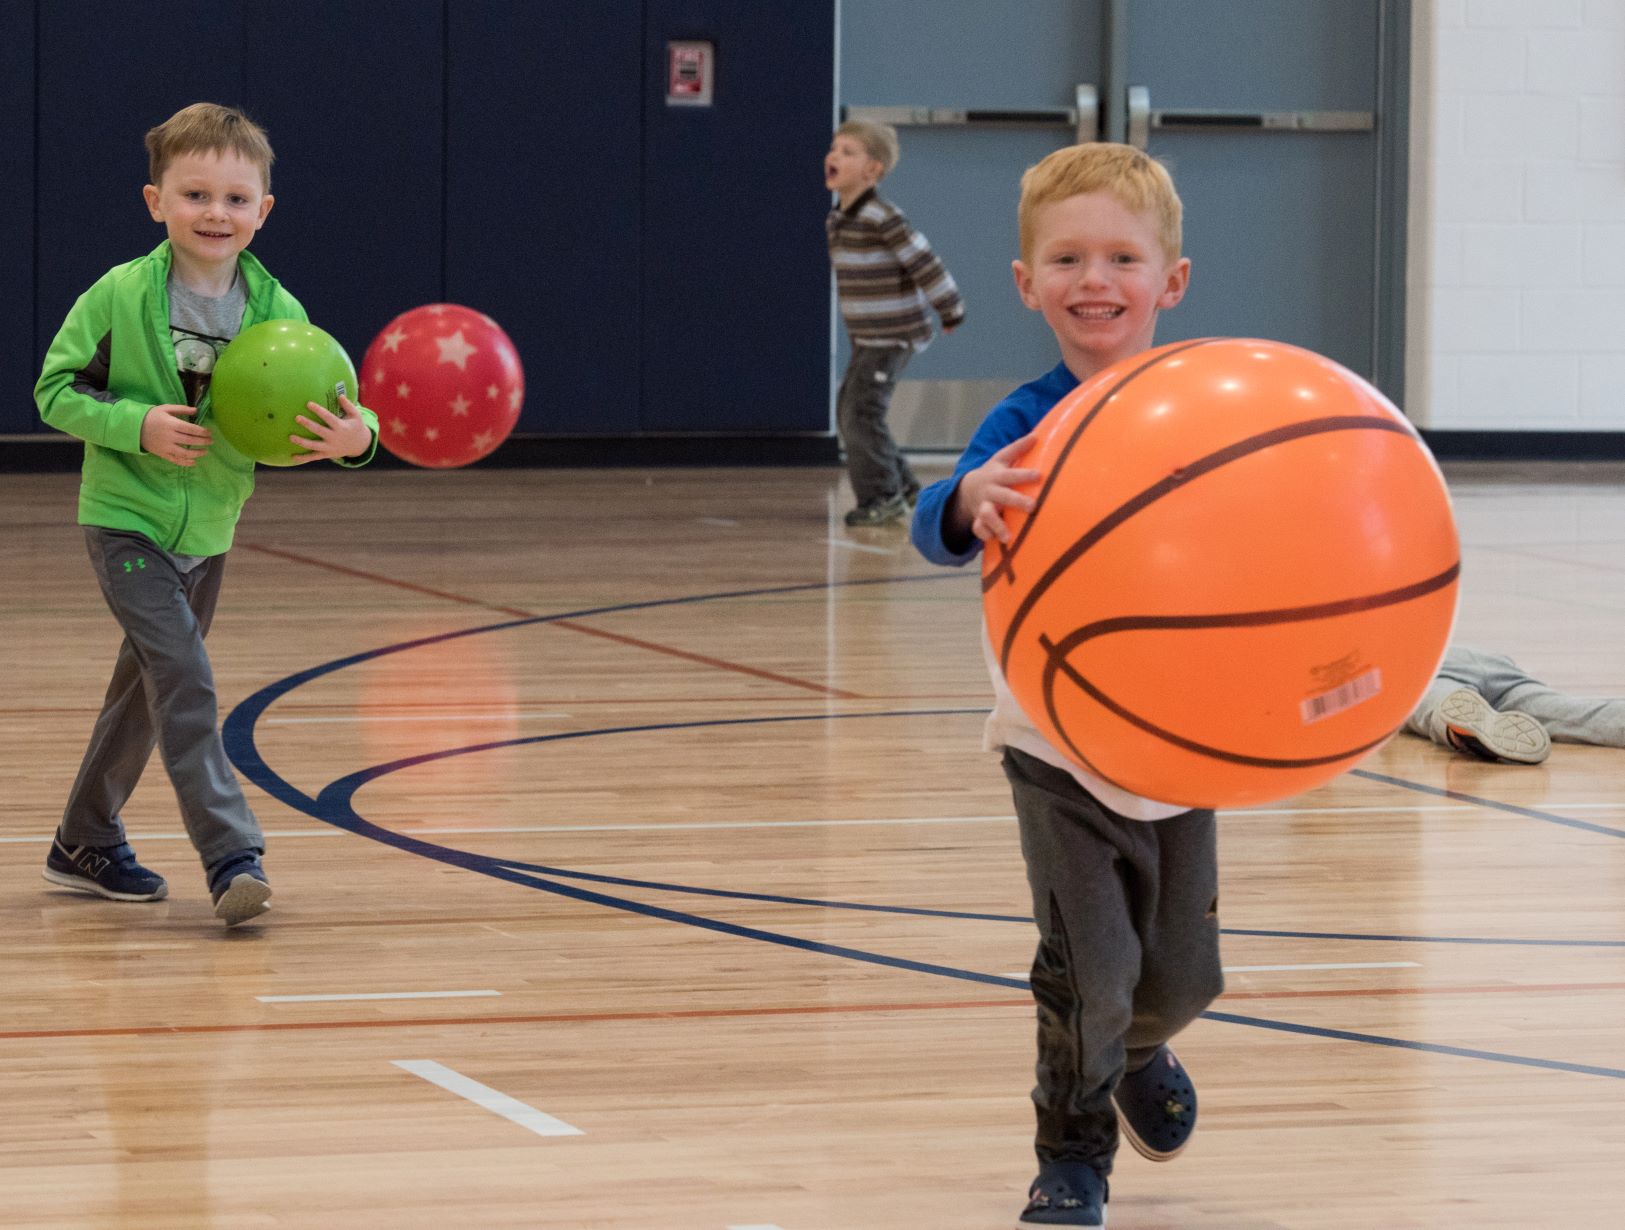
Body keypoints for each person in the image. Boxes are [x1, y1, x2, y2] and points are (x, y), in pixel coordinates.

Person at [911, 143, 1215, 1228]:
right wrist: (964, 495)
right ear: (1024, 281)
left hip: (1183, 743)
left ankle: (1136, 1049)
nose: (1095, 279)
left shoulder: (1210, 416)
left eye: (1122, 257)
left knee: (1179, 980)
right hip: (1052, 747)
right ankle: (1071, 1157)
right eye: (1067, 257)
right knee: (1088, 970)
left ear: (1167, 283)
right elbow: (932, 526)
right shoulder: (1022, 425)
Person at [35, 102, 378, 927]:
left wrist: (354, 436)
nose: (214, 213)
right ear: (156, 202)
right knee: (184, 681)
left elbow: (338, 412)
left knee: (145, 691)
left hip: (211, 528)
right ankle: (232, 857)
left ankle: (83, 841)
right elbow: (55, 391)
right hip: (125, 518)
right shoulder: (119, 294)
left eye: (234, 198)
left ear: (263, 210)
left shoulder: (279, 314)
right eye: (195, 195)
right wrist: (136, 425)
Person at [825, 119, 965, 527]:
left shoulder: (882, 217)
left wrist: (950, 308)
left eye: (847, 152)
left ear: (873, 170)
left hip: (894, 335)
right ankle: (902, 486)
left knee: (860, 414)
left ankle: (882, 496)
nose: (834, 157)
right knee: (854, 411)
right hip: (867, 337)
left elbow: (925, 263)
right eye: (833, 149)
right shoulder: (838, 219)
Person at [1405, 645, 1625, 765]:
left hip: (1424, 669)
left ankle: (1464, 734)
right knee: (1573, 714)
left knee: (1434, 705)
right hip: (1490, 662)